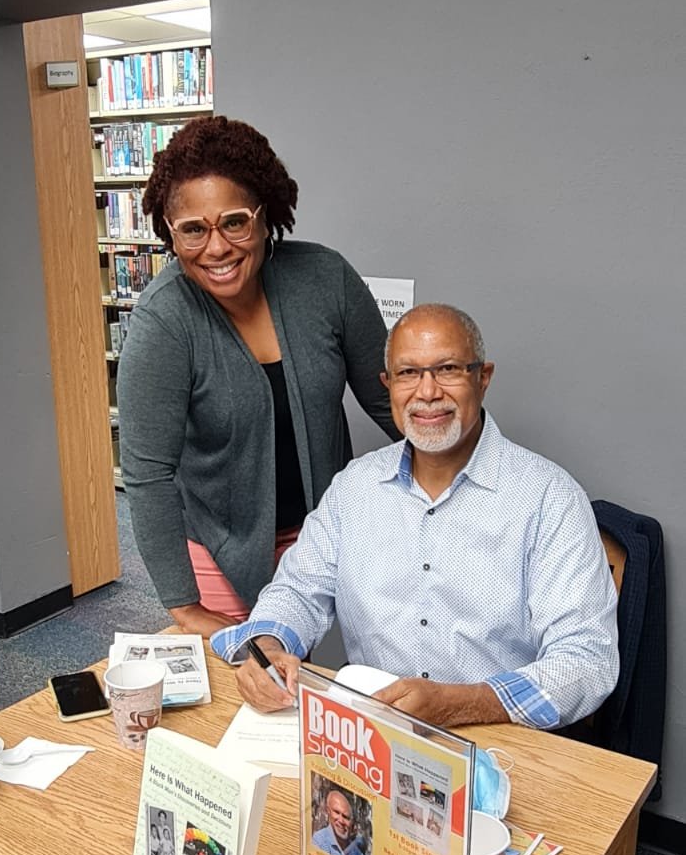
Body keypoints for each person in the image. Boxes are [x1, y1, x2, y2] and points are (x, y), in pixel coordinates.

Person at [213, 304, 619, 731]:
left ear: (483, 378)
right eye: (408, 373)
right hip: (371, 735)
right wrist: (267, 645)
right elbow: (298, 590)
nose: (427, 392)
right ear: (388, 385)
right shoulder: (355, 488)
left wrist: (465, 704)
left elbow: (586, 659)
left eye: (447, 369)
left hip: (499, 739)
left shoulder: (549, 498)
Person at [117, 116, 397, 637]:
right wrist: (182, 605)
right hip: (216, 547)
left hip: (317, 532)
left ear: (264, 216)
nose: (216, 248)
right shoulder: (164, 321)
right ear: (170, 234)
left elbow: (390, 404)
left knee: (294, 682)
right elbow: (147, 473)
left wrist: (476, 484)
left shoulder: (325, 279)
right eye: (193, 230)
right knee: (241, 692)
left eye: (234, 222)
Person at [313, 788, 370, 855]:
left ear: (353, 823)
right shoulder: (319, 841)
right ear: (328, 811)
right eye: (336, 812)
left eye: (346, 817)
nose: (341, 821)